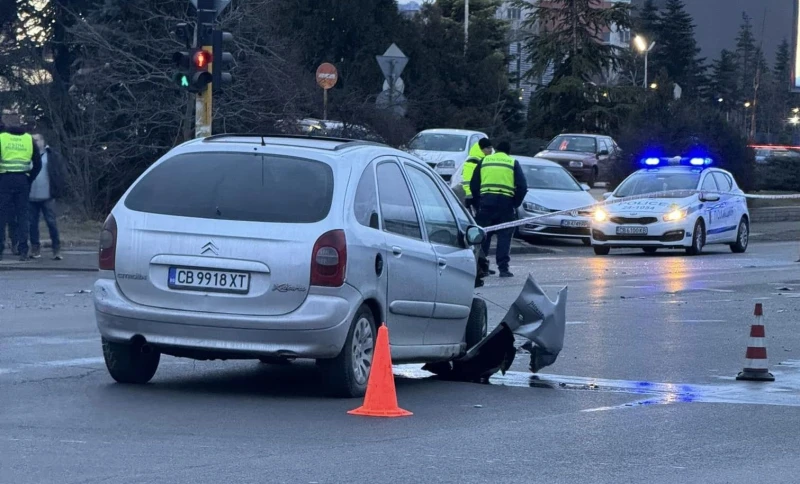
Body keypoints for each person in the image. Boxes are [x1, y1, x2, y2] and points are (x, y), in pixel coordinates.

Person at [469, 141, 527, 278]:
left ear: (496, 150)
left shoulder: (484, 161)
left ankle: (481, 267)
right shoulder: (512, 162)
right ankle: (503, 269)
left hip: (486, 202)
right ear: (508, 151)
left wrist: (478, 203)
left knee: (483, 235)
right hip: (505, 205)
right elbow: (522, 187)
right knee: (504, 237)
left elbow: (474, 184)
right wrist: (514, 204)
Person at [0, 121, 42, 261]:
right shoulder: (28, 139)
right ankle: (23, 250)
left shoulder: (2, 138)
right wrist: (29, 179)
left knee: (2, 216)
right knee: (23, 216)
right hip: (23, 181)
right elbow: (38, 163)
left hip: (5, 180)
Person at [28, 134, 67, 260]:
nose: (34, 142)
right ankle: (35, 248)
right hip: (31, 196)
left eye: (37, 140)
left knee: (51, 222)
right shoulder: (27, 155)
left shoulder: (52, 156)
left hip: (48, 195)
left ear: (43, 141)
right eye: (32, 140)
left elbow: (60, 173)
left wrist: (58, 189)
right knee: (32, 224)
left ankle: (56, 249)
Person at [461, 138, 494, 215]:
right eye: (488, 148)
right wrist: (470, 196)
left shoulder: (485, 159)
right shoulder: (473, 161)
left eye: (491, 148)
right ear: (482, 149)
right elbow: (467, 180)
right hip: (475, 197)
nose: (491, 150)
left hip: (483, 196)